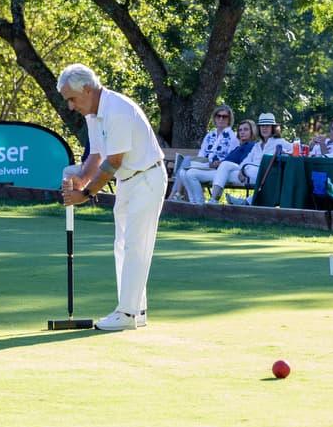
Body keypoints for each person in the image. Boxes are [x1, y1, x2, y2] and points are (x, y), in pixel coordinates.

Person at [58, 64, 167, 331]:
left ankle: (127, 314)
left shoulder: (116, 110)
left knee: (135, 245)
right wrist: (80, 179)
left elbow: (114, 161)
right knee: (122, 245)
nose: (71, 106)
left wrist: (84, 194)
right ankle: (136, 310)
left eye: (72, 99)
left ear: (87, 89)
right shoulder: (93, 115)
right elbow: (96, 156)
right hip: (128, 182)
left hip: (147, 178)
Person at [208, 112, 291, 204]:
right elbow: (246, 161)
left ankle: (245, 202)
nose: (264, 128)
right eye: (262, 126)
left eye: (267, 126)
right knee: (225, 164)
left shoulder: (280, 142)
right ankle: (214, 200)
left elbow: (296, 149)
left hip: (265, 176)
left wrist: (286, 153)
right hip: (249, 175)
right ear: (259, 128)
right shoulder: (257, 145)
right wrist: (242, 170)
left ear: (273, 128)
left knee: (253, 169)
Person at [168, 105, 239, 202]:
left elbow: (231, 157)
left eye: (224, 116)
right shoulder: (210, 135)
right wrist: (202, 163)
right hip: (205, 166)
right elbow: (201, 153)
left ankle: (196, 202)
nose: (221, 119)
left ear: (229, 119)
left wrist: (218, 163)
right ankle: (193, 202)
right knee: (183, 172)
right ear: (214, 118)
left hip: (218, 170)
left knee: (190, 173)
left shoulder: (232, 137)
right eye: (218, 116)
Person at [179, 119, 257, 204]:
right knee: (191, 173)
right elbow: (228, 160)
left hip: (236, 174)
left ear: (252, 131)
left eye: (246, 129)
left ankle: (211, 201)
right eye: (240, 130)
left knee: (224, 165)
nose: (242, 132)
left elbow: (243, 162)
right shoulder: (237, 147)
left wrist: (222, 163)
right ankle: (196, 203)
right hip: (221, 172)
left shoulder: (252, 146)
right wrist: (218, 163)